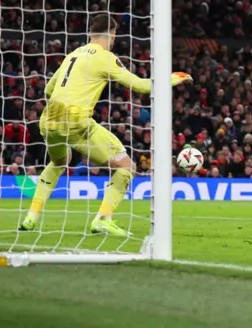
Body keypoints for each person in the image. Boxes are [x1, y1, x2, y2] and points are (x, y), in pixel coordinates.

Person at [19, 14, 193, 236]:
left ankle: (31, 217)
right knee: (126, 167)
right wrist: (173, 78)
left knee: (60, 161)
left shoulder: (72, 55)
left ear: (90, 34)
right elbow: (141, 86)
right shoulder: (105, 57)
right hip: (76, 121)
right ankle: (103, 219)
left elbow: (48, 90)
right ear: (112, 34)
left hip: (48, 119)